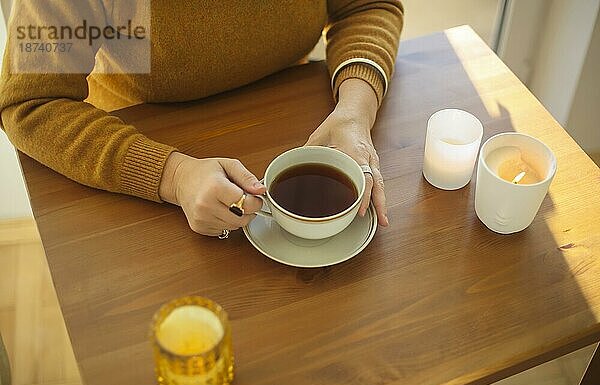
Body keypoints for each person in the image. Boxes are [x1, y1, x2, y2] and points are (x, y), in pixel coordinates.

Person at [0, 1, 403, 237]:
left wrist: (354, 110)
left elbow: (366, 5)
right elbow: (30, 101)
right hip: (140, 150)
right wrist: (171, 176)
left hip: (292, 108)